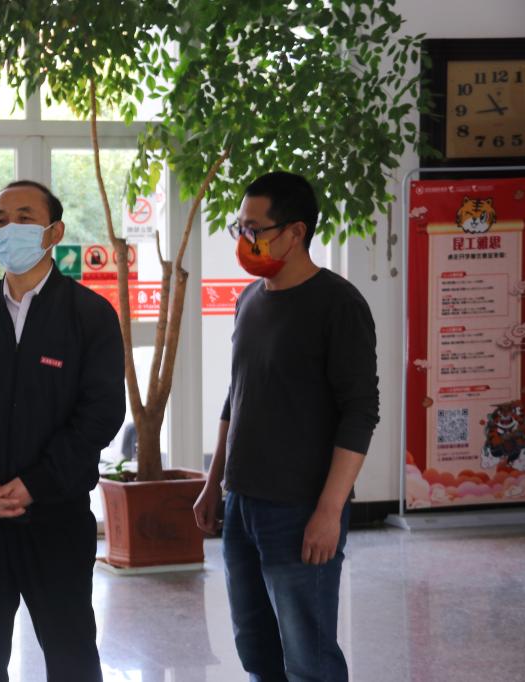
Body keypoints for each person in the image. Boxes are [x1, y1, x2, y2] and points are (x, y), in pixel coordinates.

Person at [0, 180, 126, 681]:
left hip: (55, 517)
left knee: (71, 655)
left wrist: (36, 483)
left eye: (24, 217)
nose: (9, 229)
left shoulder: (89, 315)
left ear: (53, 232)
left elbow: (101, 413)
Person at [193, 171, 380, 682]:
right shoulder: (250, 299)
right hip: (241, 502)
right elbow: (237, 394)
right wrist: (214, 482)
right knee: (255, 648)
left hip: (299, 508)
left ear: (296, 232)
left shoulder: (339, 305)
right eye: (240, 227)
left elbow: (360, 412)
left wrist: (329, 511)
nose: (244, 239)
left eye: (254, 229)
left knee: (308, 657)